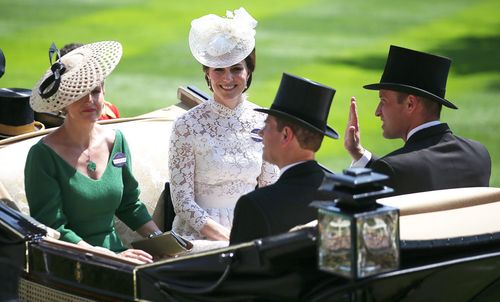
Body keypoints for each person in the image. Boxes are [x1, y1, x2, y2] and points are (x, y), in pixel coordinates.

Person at [25, 41, 161, 264]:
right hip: (72, 263)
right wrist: (109, 257)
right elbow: (54, 228)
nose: (89, 100)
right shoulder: (42, 156)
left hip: (118, 256)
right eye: (79, 94)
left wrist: (163, 241)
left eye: (96, 91)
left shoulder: (117, 140)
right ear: (63, 102)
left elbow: (129, 205)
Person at [168, 8, 279, 241]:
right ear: (207, 74)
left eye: (236, 69)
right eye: (219, 70)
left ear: (248, 72)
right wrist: (228, 240)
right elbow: (182, 203)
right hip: (200, 235)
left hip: (251, 230)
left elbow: (270, 189)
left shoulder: (265, 121)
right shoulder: (186, 126)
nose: (228, 78)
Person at [344, 45, 491, 196]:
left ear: (410, 104)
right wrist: (359, 153)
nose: (377, 111)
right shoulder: (479, 154)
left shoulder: (392, 169)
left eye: (383, 100)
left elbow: (399, 172)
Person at [230, 73, 338, 244]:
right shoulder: (341, 194)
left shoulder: (255, 205)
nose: (260, 132)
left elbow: (240, 269)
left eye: (267, 125)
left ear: (286, 135)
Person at [59, 42, 121, 120]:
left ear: (103, 89)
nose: (89, 100)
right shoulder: (46, 121)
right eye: (77, 92)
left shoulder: (110, 111)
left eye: (95, 91)